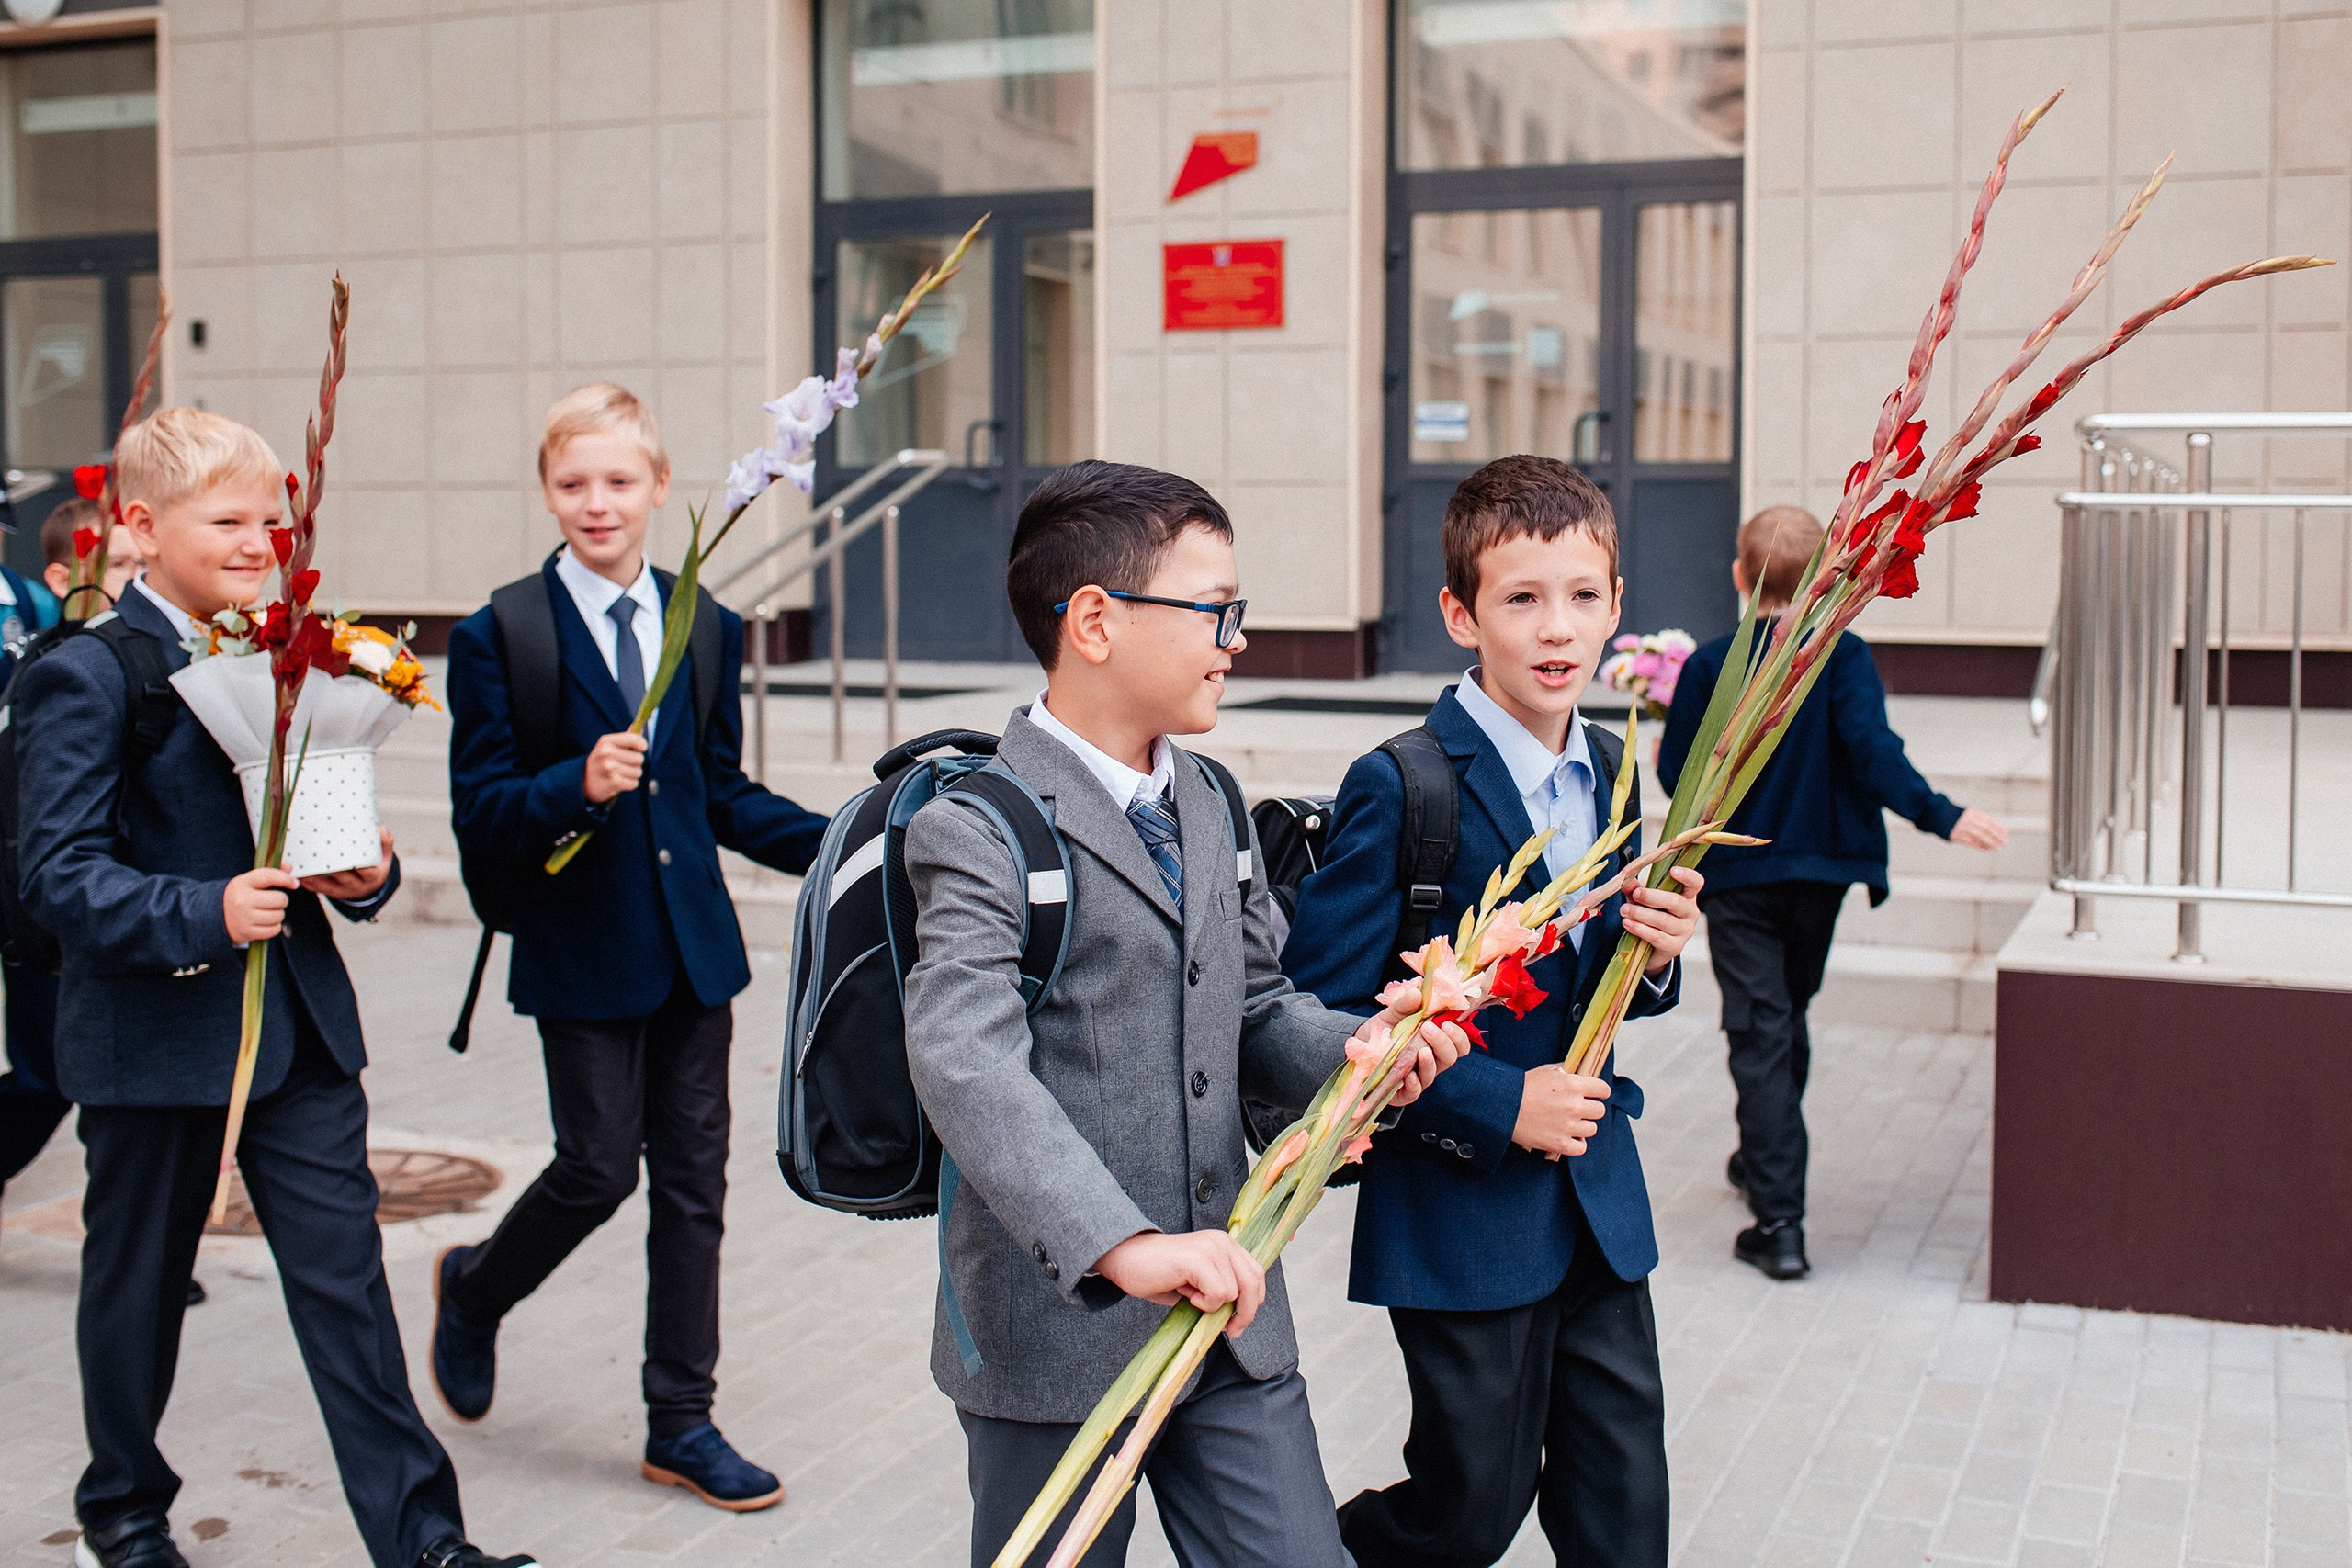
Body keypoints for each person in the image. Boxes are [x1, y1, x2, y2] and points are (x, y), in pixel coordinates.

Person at [900, 460, 1472, 1568]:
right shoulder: (977, 824)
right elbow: (965, 1060)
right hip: (1054, 1334)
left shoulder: (1207, 797)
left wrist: (1361, 1053)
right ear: (1097, 622)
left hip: (1229, 1309)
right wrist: (1123, 1246)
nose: (1237, 639)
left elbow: (1255, 1003)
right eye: (1216, 610)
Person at [15, 408, 533, 1568]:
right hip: (153, 1039)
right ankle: (126, 1509)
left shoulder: (283, 648)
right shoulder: (87, 676)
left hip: (294, 1033)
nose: (262, 538)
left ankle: (424, 1542)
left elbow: (315, 831)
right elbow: (58, 873)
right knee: (138, 1289)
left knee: (348, 1290)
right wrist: (199, 908)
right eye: (231, 518)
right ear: (139, 530)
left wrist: (365, 874)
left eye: (274, 516)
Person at [1280, 454, 1700, 1568]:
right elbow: (1318, 1009)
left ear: (1616, 603)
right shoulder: (1405, 782)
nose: (1557, 629)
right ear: (1460, 615)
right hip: (1464, 1212)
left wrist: (1654, 955)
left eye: (1582, 596)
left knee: (1627, 1512)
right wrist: (1496, 1100)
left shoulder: (1614, 766)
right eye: (1521, 599)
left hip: (1598, 1206)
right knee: (1466, 1507)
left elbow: (1605, 986)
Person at [436, 384, 831, 1512]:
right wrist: (575, 783)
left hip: (693, 955)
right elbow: (483, 811)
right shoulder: (501, 631)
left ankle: (681, 1421)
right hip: (582, 952)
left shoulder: (704, 620)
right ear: (547, 492)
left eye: (619, 482)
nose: (596, 504)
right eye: (573, 484)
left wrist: (848, 843)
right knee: (598, 1166)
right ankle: (474, 1289)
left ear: (662, 488)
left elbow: (720, 790)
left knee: (695, 1188)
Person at [1658, 505, 2008, 1281]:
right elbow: (1874, 752)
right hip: (1821, 879)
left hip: (1741, 880)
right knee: (1782, 1017)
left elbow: (1677, 775)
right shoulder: (1841, 656)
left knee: (1761, 1028)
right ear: (1822, 575)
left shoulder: (1712, 666)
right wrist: (1940, 815)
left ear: (1742, 579)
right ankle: (1763, 1158)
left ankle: (1779, 1221)